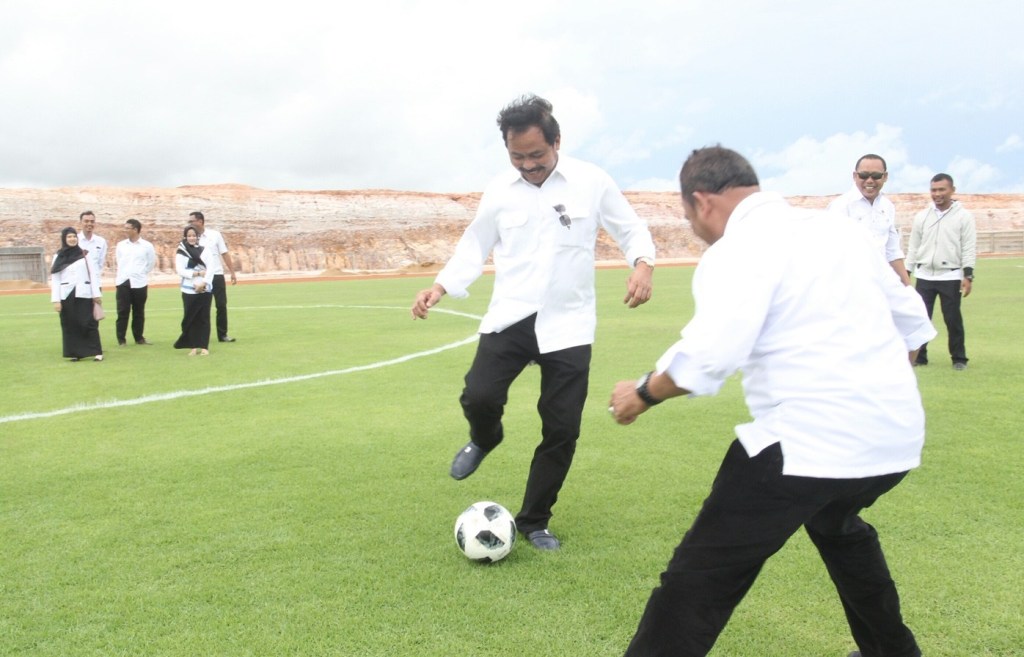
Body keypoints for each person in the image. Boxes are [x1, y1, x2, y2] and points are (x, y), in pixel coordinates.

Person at [607, 146, 935, 657]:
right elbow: (912, 320)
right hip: (897, 435)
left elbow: (710, 356)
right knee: (837, 524)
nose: (695, 231)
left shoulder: (736, 248)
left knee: (697, 581)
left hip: (809, 440)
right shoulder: (840, 230)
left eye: (690, 218)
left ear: (702, 203)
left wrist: (643, 393)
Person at [411, 93, 656, 551]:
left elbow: (631, 227)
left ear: (556, 141)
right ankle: (485, 438)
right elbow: (474, 244)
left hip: (569, 324)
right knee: (479, 396)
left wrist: (643, 264)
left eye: (537, 155)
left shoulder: (591, 180)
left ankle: (534, 520)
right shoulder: (499, 191)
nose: (528, 165)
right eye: (517, 157)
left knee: (561, 427)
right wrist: (439, 287)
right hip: (512, 315)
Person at [906, 173, 977, 370]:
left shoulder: (964, 217)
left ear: (952, 190)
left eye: (941, 190)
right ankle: (920, 357)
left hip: (950, 275)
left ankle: (959, 359)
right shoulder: (922, 216)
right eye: (933, 190)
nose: (937, 194)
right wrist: (907, 272)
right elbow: (913, 247)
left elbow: (968, 247)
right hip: (925, 275)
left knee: (952, 319)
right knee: (921, 318)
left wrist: (968, 275)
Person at [828, 154, 912, 285]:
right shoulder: (841, 206)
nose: (869, 180)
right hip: (850, 283)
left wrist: (909, 288)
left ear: (885, 177)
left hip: (882, 283)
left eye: (876, 176)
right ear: (855, 176)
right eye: (864, 175)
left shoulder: (887, 206)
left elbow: (892, 252)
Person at [50, 227, 104, 361]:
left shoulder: (85, 254)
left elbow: (93, 274)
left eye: (74, 236)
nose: (72, 239)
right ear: (64, 239)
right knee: (70, 324)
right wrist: (56, 300)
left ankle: (97, 352)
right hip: (66, 294)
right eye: (69, 237)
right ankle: (75, 353)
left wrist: (96, 293)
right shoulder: (58, 256)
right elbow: (55, 279)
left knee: (88, 323)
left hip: (83, 293)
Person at [188, 211, 237, 342]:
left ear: (200, 221)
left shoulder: (215, 235)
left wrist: (232, 272)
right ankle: (202, 335)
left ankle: (223, 335)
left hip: (217, 275)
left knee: (221, 305)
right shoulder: (191, 238)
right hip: (201, 277)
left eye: (191, 221)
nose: (189, 224)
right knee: (202, 307)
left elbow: (224, 253)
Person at [114, 218, 157, 346]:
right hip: (123, 281)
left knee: (139, 311)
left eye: (128, 228)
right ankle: (121, 339)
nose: (125, 230)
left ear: (135, 229)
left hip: (139, 282)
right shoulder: (121, 245)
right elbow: (119, 261)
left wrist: (141, 273)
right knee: (123, 311)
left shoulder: (147, 246)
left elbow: (151, 263)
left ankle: (139, 338)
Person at [173, 225, 214, 356]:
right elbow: (180, 270)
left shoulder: (204, 250)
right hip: (188, 289)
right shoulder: (181, 252)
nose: (192, 238)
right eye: (189, 235)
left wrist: (204, 282)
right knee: (190, 318)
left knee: (203, 318)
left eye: (194, 235)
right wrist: (196, 274)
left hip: (204, 289)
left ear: (197, 237)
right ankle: (193, 346)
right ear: (185, 237)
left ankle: (204, 346)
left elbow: (211, 268)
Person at [77, 211, 108, 287]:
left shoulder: (101, 241)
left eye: (92, 221)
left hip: (95, 283)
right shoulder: (75, 240)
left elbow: (100, 263)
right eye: (86, 221)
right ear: (80, 222)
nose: (89, 224)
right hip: (78, 283)